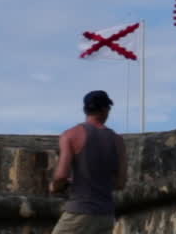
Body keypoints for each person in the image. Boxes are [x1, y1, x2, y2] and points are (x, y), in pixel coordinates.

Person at [49, 90, 128, 234]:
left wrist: (55, 186)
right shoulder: (118, 141)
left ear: (86, 109)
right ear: (105, 109)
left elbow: (61, 176)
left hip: (79, 210)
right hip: (105, 215)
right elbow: (120, 183)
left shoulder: (71, 135)